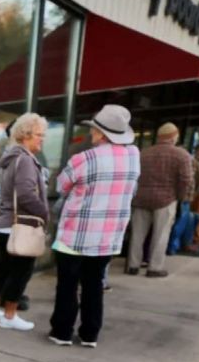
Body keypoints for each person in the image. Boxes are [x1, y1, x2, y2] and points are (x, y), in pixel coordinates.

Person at [49, 105, 140, 348]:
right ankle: (90, 334)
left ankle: (62, 332)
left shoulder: (84, 158)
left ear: (100, 133)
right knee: (94, 284)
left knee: (67, 284)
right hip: (108, 235)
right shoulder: (134, 156)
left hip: (75, 234)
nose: (91, 134)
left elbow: (61, 186)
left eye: (94, 130)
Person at [0, 113, 50, 331]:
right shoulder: (26, 160)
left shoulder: (11, 157)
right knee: (21, 272)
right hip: (19, 225)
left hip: (5, 223)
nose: (42, 139)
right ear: (26, 135)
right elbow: (27, 195)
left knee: (3, 268)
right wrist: (44, 213)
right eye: (39, 134)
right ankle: (9, 315)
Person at [127, 122, 192, 277]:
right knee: (161, 234)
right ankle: (154, 268)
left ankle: (133, 265)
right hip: (166, 199)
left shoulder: (143, 153)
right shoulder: (181, 154)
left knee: (137, 234)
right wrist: (180, 197)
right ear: (174, 137)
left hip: (141, 199)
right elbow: (186, 180)